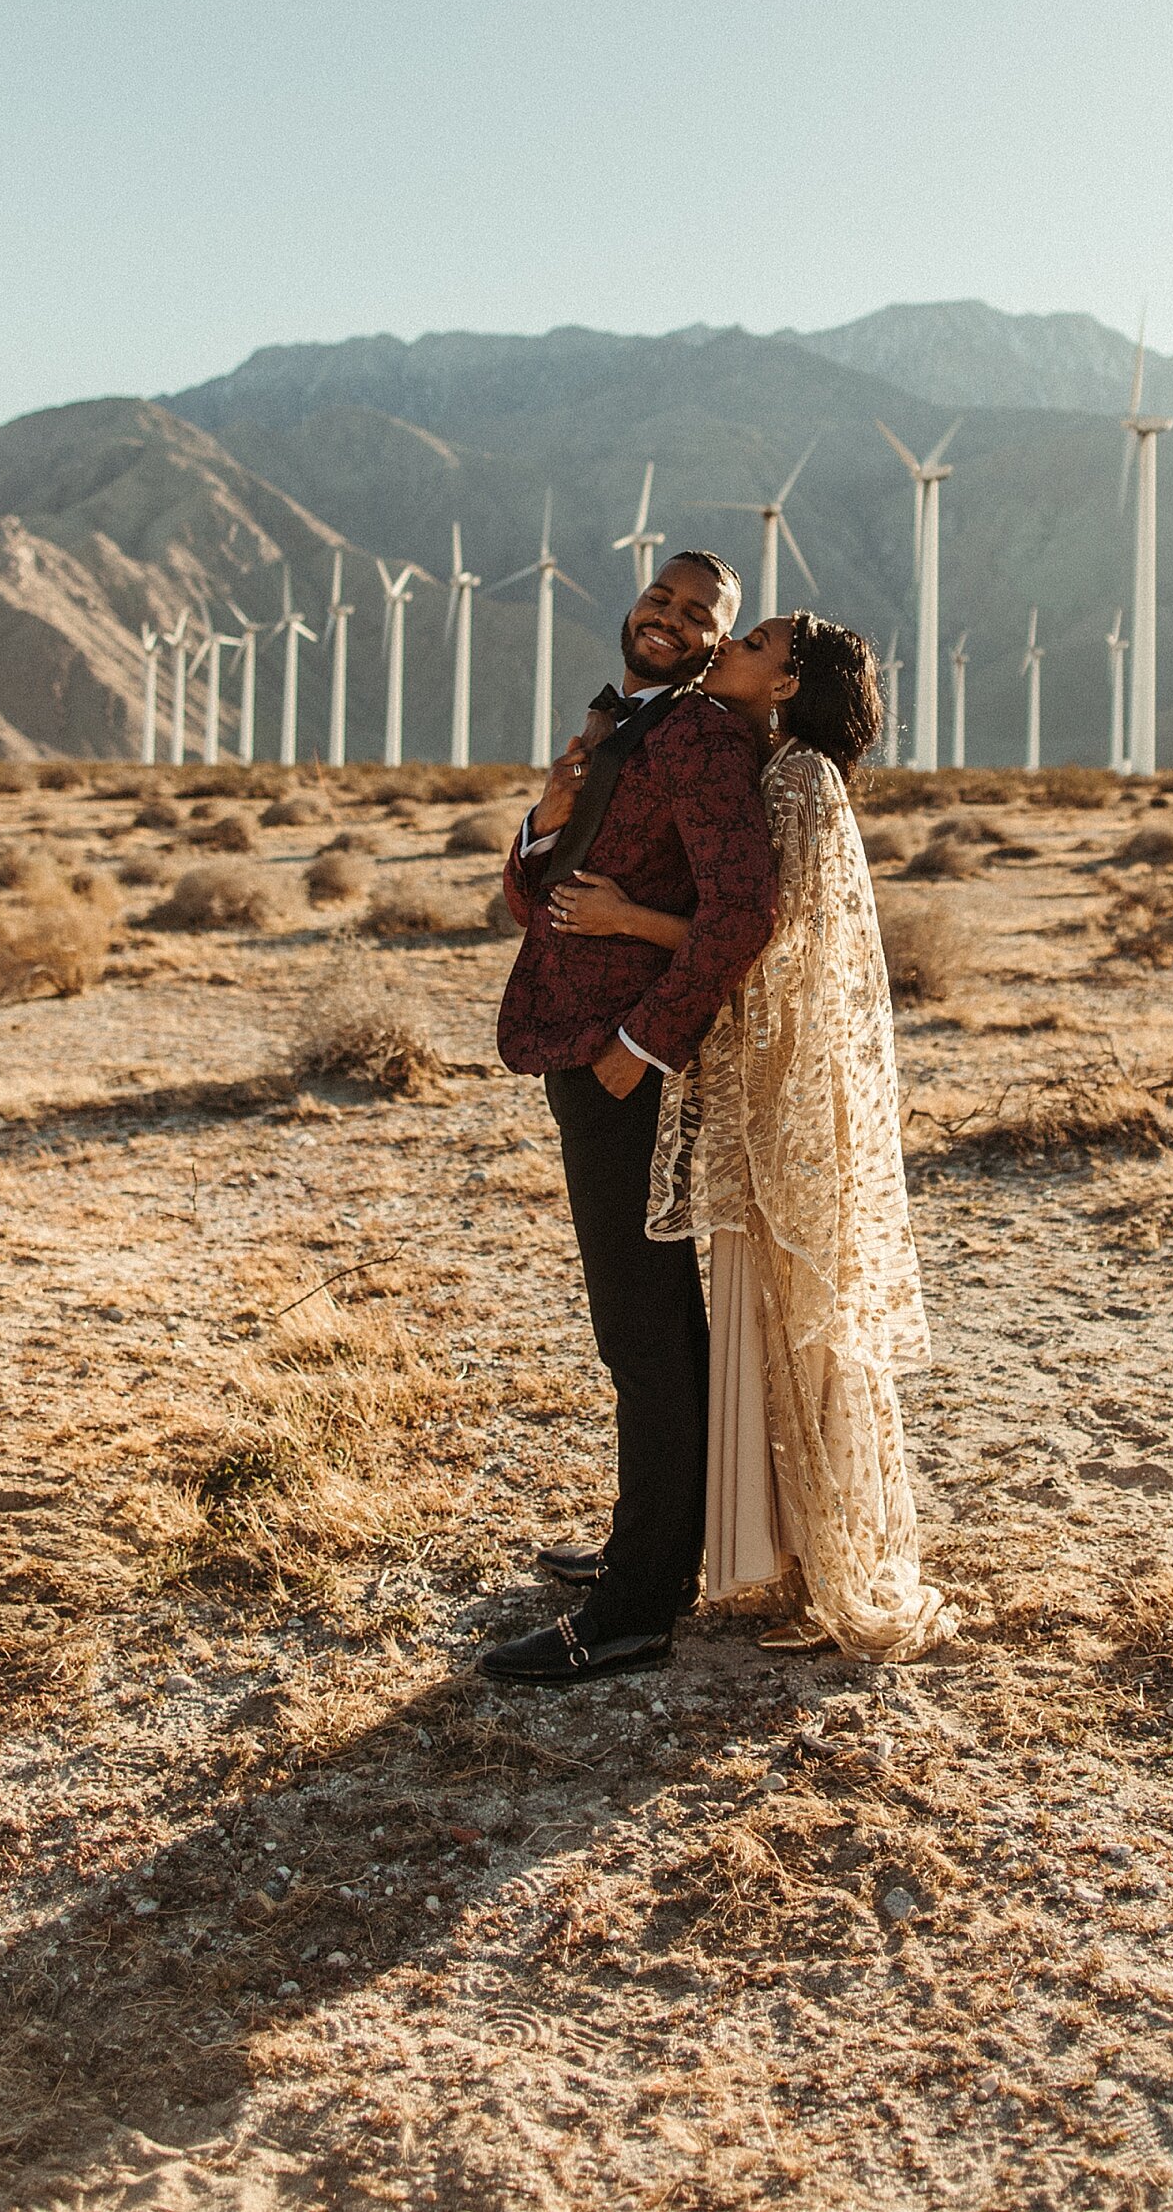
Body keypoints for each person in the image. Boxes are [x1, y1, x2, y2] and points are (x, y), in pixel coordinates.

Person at [549, 613, 952, 1660]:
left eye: (757, 639)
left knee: (777, 1307)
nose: (729, 640)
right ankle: (748, 1548)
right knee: (747, 1314)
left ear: (788, 681)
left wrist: (626, 922)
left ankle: (784, 1558)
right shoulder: (773, 765)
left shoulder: (793, 781)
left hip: (771, 1090)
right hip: (745, 1076)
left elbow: (771, 939)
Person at [479, 548, 775, 1689]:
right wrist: (543, 820)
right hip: (577, 1040)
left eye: (702, 613)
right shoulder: (620, 728)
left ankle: (639, 1604)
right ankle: (643, 1546)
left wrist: (642, 1044)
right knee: (643, 1326)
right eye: (663, 594)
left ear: (714, 644)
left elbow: (741, 909)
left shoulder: (696, 737)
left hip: (625, 1058)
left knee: (644, 1332)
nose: (672, 614)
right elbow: (535, 901)